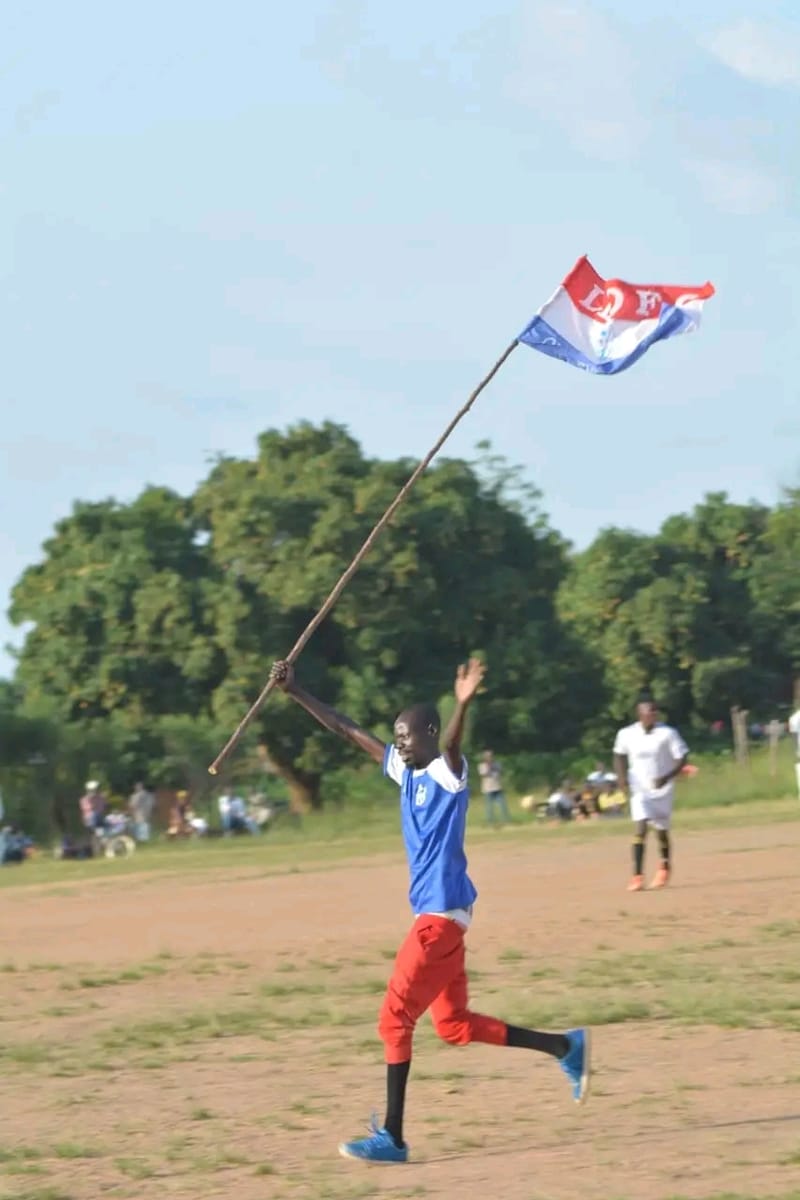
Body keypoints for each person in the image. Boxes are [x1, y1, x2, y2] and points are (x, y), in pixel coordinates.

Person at [269, 656, 589, 1164]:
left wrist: (461, 705)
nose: (398, 741)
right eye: (396, 734)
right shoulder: (405, 772)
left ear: (430, 734)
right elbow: (348, 729)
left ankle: (392, 1139)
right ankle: (564, 1048)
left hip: (438, 920)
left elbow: (455, 746)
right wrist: (296, 690)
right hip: (442, 918)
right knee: (453, 1025)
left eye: (407, 734)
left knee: (394, 1019)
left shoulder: (446, 774)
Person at [613, 696, 689, 892]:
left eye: (655, 712)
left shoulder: (668, 734)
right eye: (648, 712)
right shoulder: (626, 734)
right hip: (639, 788)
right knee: (640, 828)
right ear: (640, 714)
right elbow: (619, 755)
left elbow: (682, 758)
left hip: (662, 789)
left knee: (661, 831)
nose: (652, 716)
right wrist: (622, 779)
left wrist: (667, 776)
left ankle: (664, 866)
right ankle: (637, 876)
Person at [477, 750, 510, 826]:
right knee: (489, 806)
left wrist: (493, 766)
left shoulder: (497, 764)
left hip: (497, 787)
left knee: (503, 804)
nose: (490, 758)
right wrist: (489, 766)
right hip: (488, 788)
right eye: (488, 756)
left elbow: (500, 771)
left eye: (491, 756)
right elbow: (484, 774)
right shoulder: (482, 765)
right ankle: (490, 821)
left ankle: (506, 819)